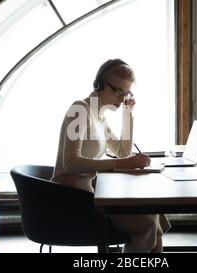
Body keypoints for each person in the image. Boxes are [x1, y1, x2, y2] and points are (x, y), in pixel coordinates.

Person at [52, 58, 171, 253]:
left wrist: (127, 115)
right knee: (148, 223)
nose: (123, 99)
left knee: (155, 213)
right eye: (119, 92)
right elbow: (70, 163)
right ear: (99, 85)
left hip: (91, 198)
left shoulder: (99, 117)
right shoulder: (80, 110)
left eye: (127, 94)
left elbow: (122, 151)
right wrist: (124, 163)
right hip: (70, 201)